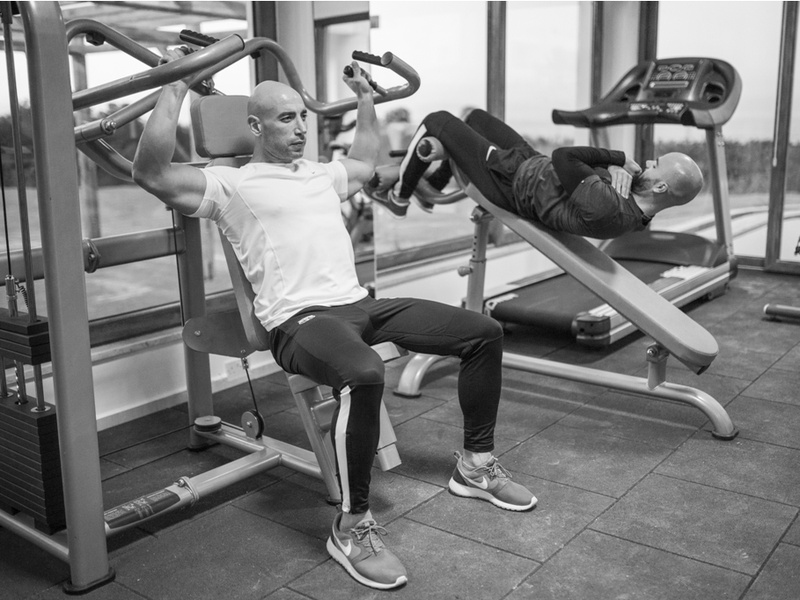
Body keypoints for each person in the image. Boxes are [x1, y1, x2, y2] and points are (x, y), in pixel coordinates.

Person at [132, 49, 536, 591]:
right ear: (256, 127)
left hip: (359, 305)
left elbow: (364, 161)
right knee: (365, 373)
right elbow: (151, 172)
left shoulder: (319, 174)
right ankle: (350, 528)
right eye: (286, 118)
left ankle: (476, 465)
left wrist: (365, 99)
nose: (302, 128)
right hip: (299, 320)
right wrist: (176, 85)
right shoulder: (230, 185)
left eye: (303, 116)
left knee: (482, 333)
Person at [377, 109, 704, 240]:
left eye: (655, 165)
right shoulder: (635, 208)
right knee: (474, 116)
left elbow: (564, 157)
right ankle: (433, 185)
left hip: (509, 180)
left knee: (437, 121)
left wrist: (618, 158)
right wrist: (613, 170)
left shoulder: (610, 208)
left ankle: (399, 199)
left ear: (660, 187)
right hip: (529, 164)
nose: (647, 163)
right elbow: (583, 172)